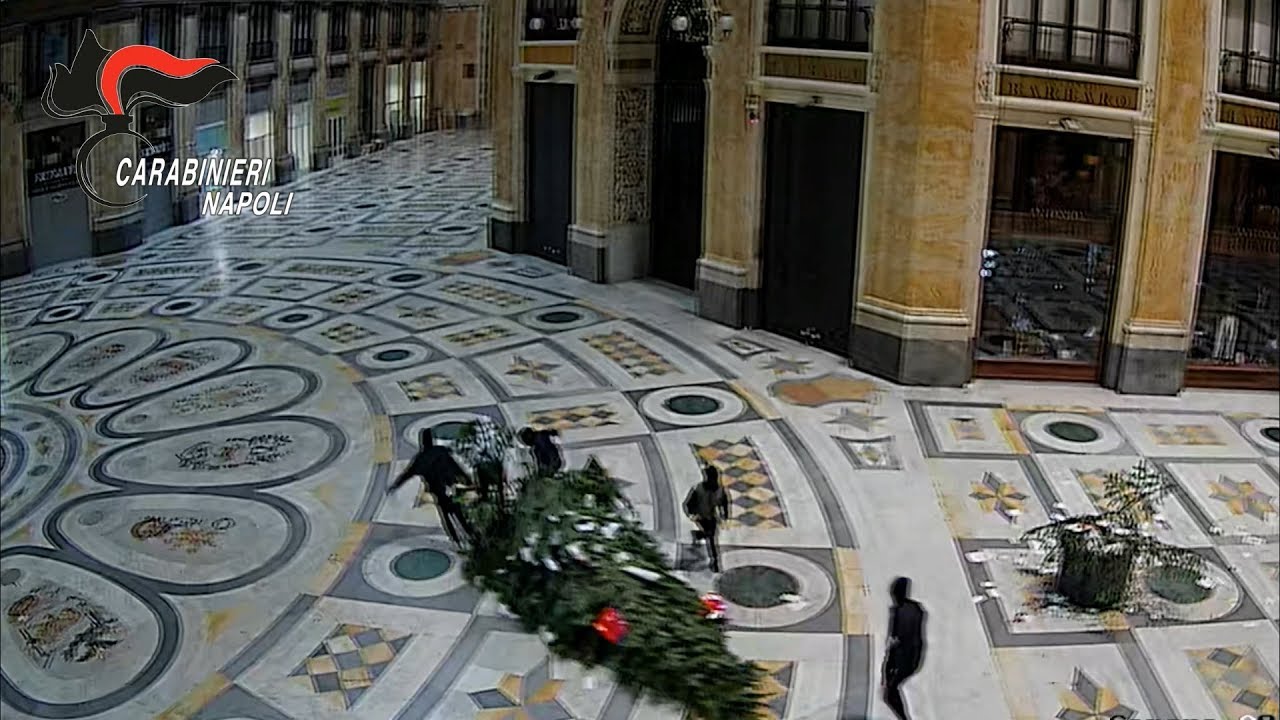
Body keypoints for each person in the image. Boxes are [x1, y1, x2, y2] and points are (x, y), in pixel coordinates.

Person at [388, 429, 473, 546]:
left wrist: (395, 485)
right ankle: (472, 535)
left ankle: (456, 541)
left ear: (422, 442)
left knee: (446, 516)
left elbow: (407, 474)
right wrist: (467, 480)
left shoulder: (420, 459)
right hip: (451, 487)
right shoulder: (441, 451)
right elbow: (455, 467)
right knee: (459, 513)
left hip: (439, 491)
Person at [882, 576, 926, 720]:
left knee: (889, 693)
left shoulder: (902, 612)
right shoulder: (914, 609)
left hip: (904, 656)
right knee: (889, 691)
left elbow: (900, 639)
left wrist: (892, 664)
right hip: (907, 655)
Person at [683, 465, 730, 573]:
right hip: (700, 516)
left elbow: (724, 503)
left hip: (711, 517)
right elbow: (688, 503)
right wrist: (692, 514)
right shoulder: (698, 489)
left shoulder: (720, 490)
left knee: (711, 538)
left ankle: (713, 559)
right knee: (710, 536)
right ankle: (714, 560)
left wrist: (724, 515)